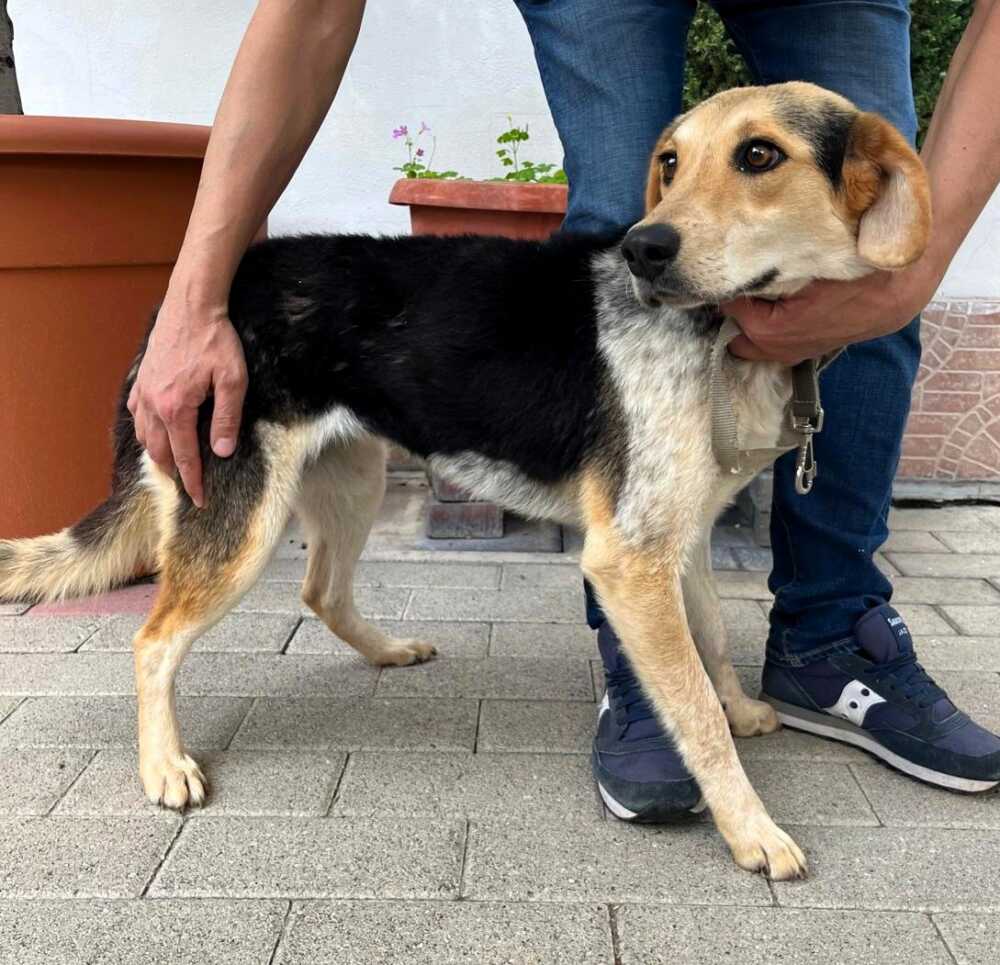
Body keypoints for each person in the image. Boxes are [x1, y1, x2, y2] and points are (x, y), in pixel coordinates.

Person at [129, 0, 1000, 815]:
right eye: (674, 167)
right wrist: (193, 301)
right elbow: (312, 15)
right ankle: (638, 664)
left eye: (757, 159)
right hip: (301, 349)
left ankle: (834, 635)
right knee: (619, 234)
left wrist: (911, 278)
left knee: (870, 270)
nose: (671, 210)